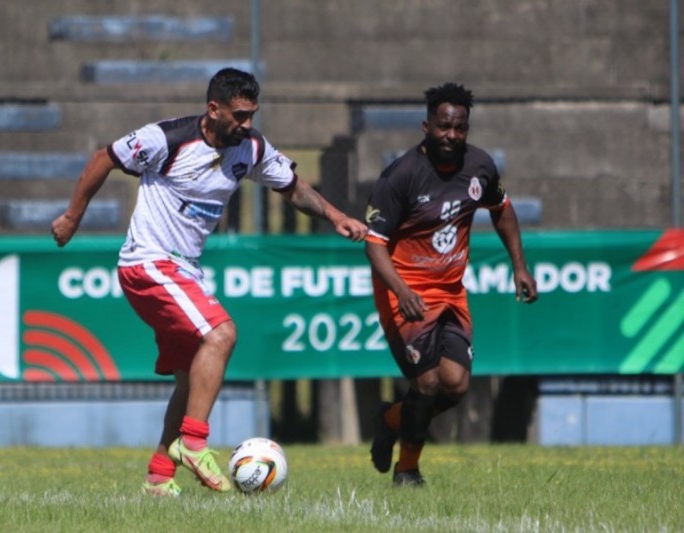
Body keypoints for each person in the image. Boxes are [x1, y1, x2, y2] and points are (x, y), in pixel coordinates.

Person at [51, 68, 368, 497]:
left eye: (252, 114)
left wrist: (336, 217)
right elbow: (103, 158)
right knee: (221, 334)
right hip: (149, 263)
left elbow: (294, 189)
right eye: (239, 115)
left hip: (183, 269)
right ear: (213, 108)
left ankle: (159, 475)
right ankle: (194, 443)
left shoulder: (250, 148)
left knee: (192, 378)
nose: (247, 123)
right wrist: (73, 217)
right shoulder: (168, 139)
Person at [364, 82, 538, 487]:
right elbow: (374, 247)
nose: (452, 136)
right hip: (402, 288)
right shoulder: (401, 176)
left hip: (451, 291)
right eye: (444, 127)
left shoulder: (479, 166)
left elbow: (503, 211)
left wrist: (520, 266)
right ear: (427, 126)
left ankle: (390, 419)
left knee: (455, 386)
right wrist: (403, 291)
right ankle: (407, 470)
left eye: (460, 128)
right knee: (425, 381)